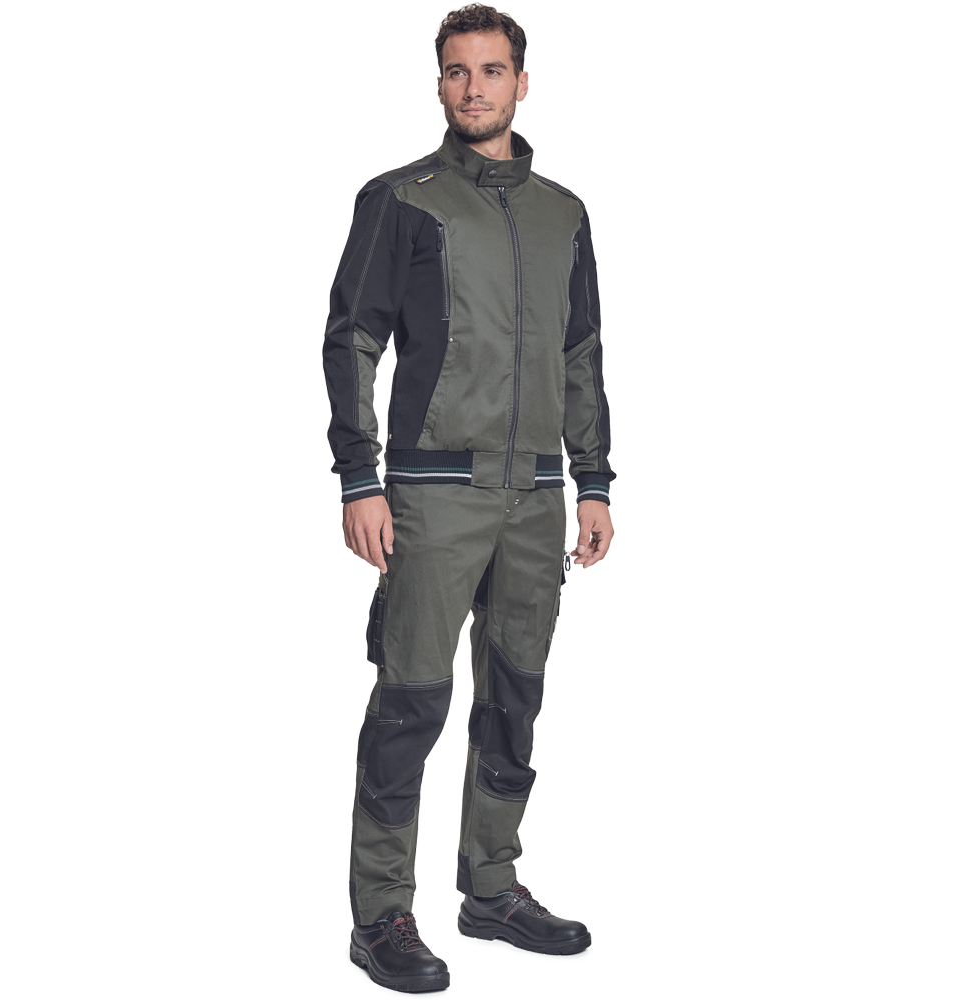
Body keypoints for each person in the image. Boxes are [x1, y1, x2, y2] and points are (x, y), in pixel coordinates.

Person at [322, 3, 615, 991]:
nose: (475, 87)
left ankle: (491, 887)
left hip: (537, 499)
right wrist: (359, 476)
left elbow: (581, 355)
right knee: (410, 700)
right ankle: (380, 915)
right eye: (458, 71)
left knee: (514, 696)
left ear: (522, 82)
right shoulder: (400, 200)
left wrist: (593, 481)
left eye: (492, 70)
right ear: (439, 83)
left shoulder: (564, 213)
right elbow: (351, 339)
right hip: (431, 495)